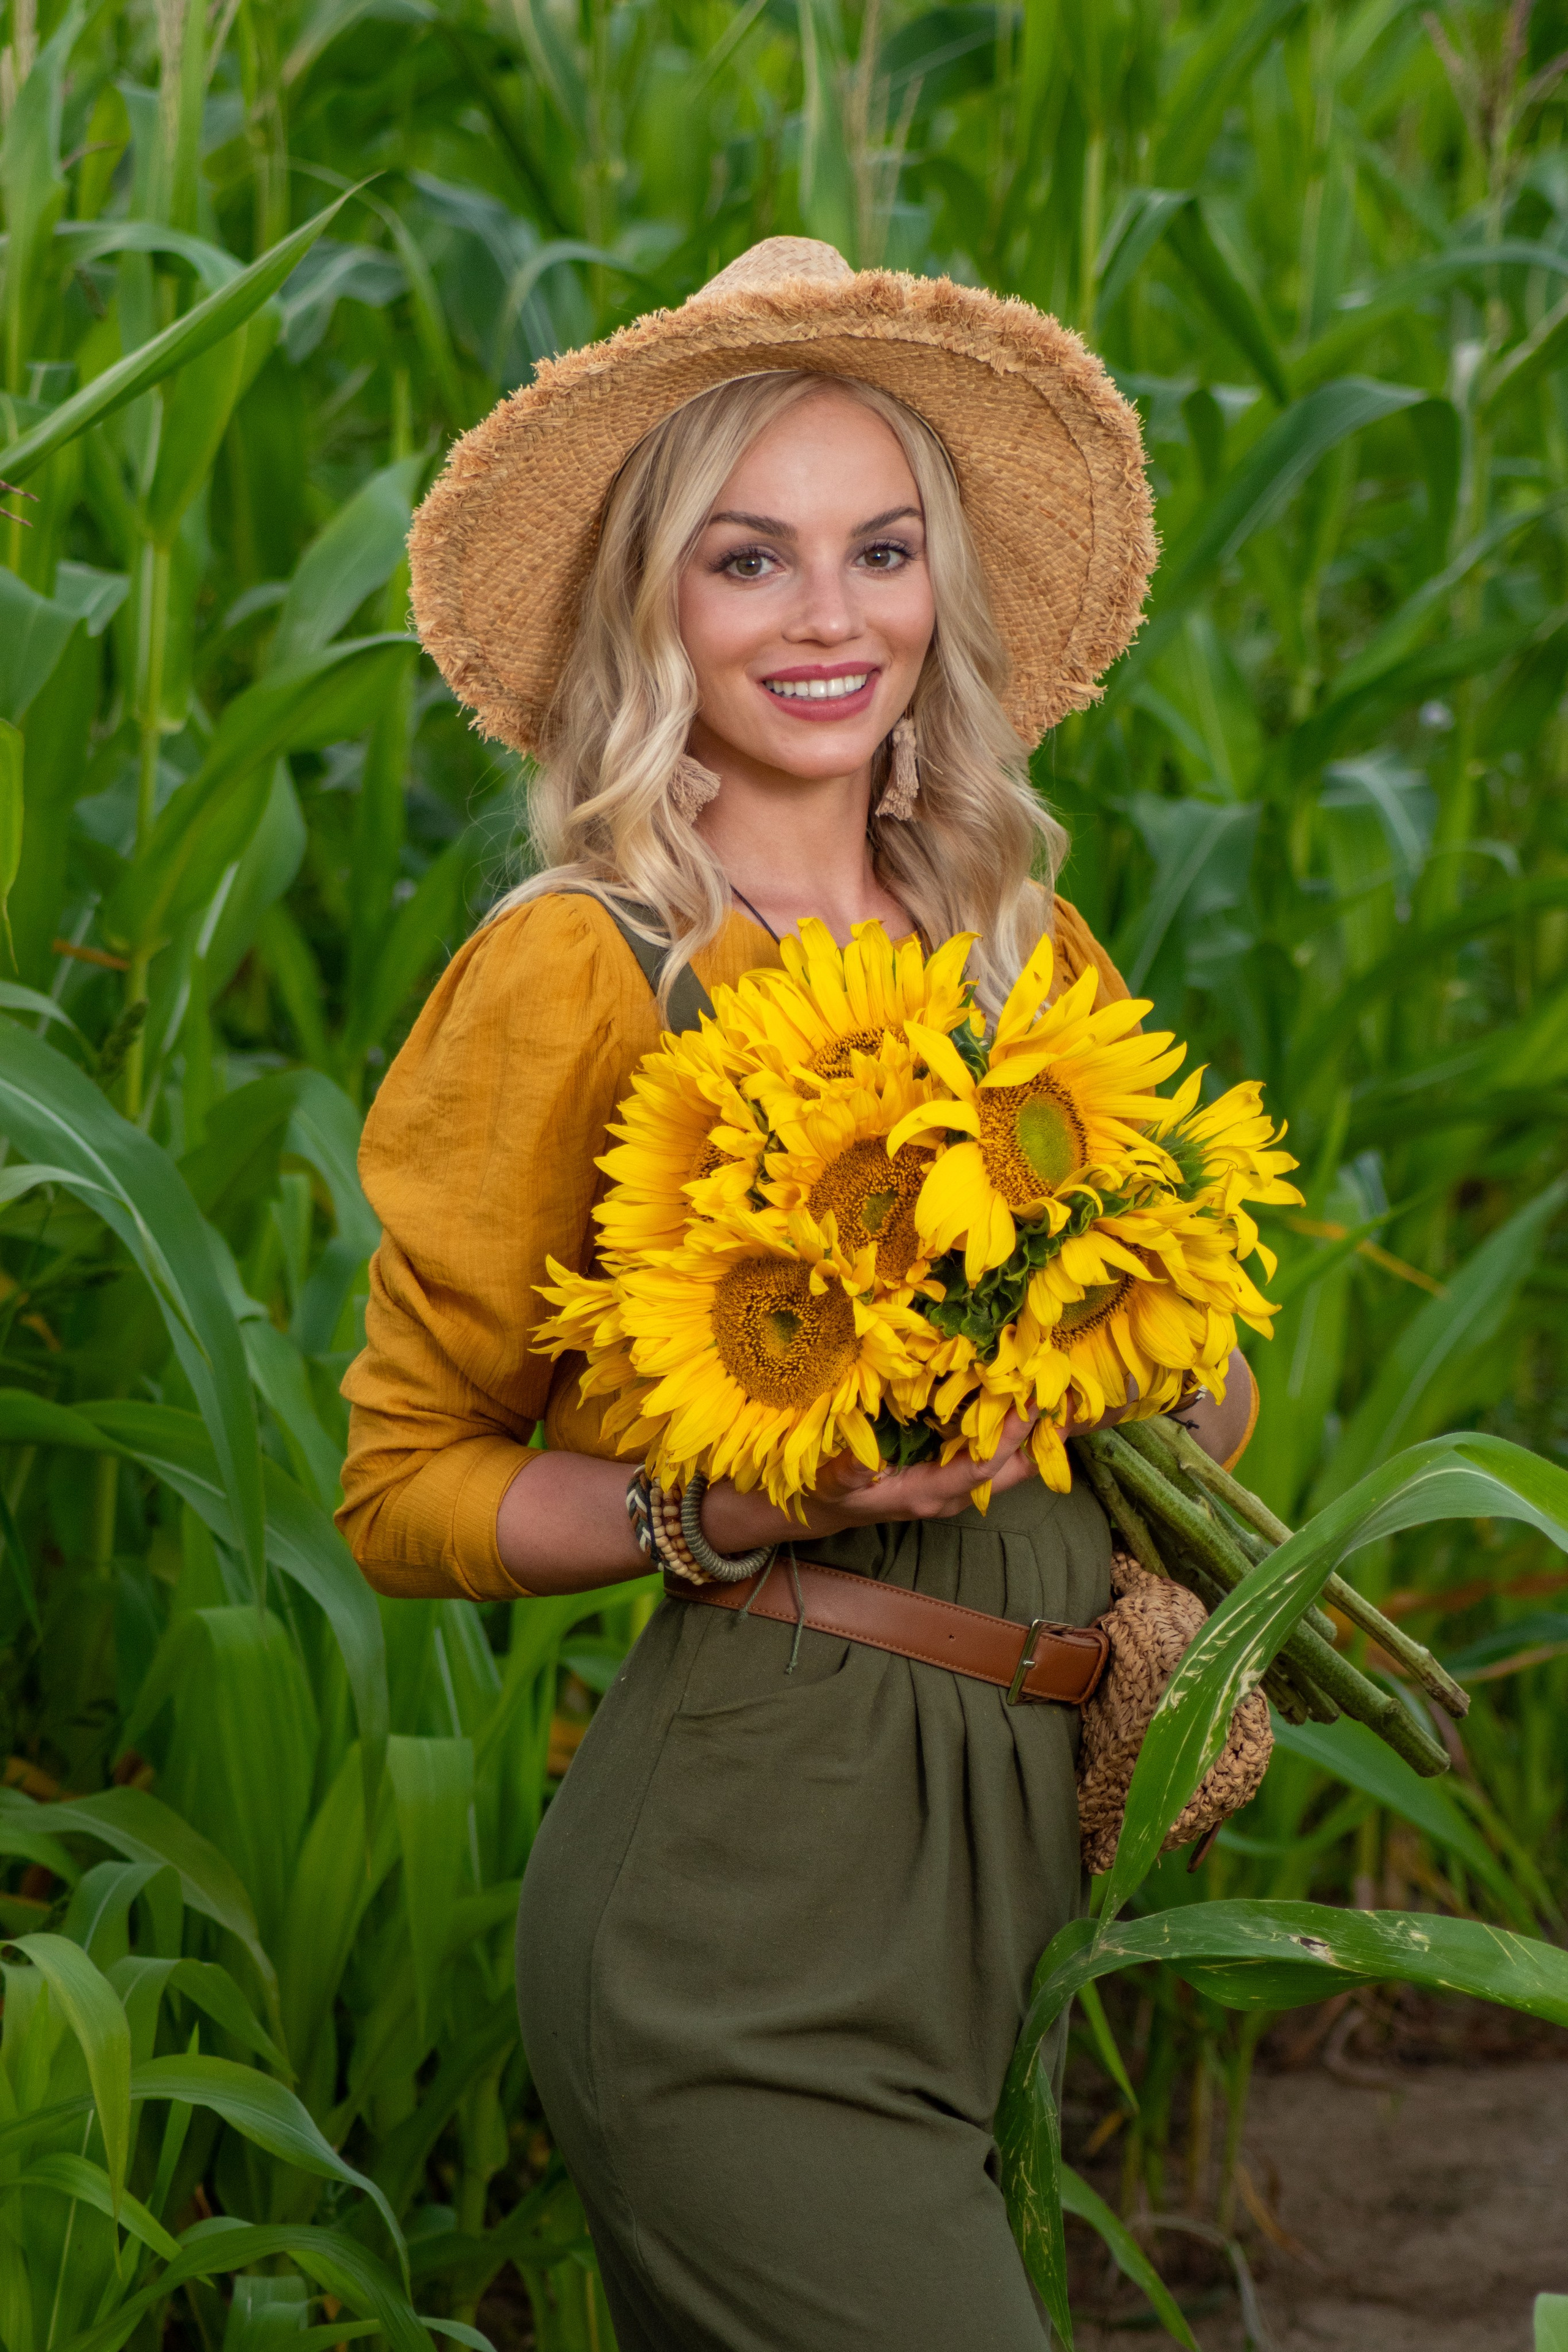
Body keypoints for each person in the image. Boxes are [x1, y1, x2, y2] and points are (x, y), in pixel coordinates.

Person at [337, 237, 1258, 2351]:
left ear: (942, 590)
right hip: (745, 1898)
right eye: (749, 560)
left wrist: (1117, 1366)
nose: (829, 619)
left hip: (1008, 1864)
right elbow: (403, 1489)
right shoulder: (584, 963)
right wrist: (730, 1504)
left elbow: (1199, 1399)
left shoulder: (1027, 948)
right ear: (652, 604)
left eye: (881, 550)